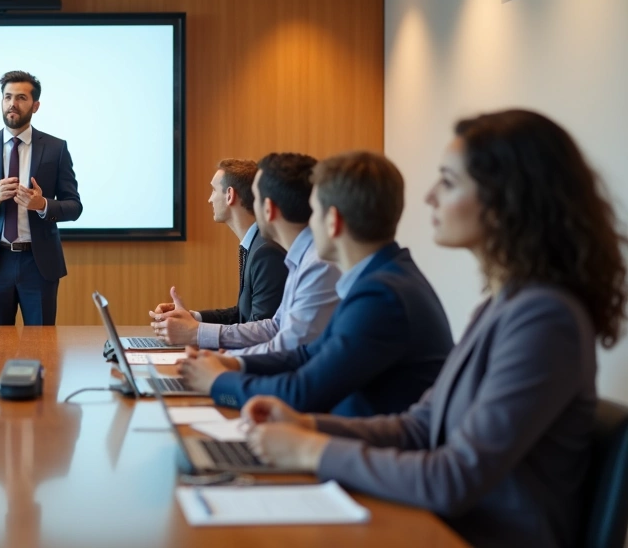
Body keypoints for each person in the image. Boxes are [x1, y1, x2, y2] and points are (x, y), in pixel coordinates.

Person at [240, 110, 626, 548]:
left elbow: (454, 477)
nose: (428, 197)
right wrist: (306, 424)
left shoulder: (546, 319)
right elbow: (419, 428)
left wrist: (310, 450)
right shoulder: (503, 306)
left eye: (447, 182)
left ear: (505, 199)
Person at [178, 151, 454, 416]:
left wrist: (217, 382)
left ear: (331, 221)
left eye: (313, 211)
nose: (307, 224)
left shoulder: (381, 294)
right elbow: (307, 353)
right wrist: (233, 362)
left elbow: (302, 391)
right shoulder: (383, 278)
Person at [153, 153, 340, 354]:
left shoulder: (292, 258)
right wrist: (194, 323)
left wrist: (204, 341)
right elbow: (269, 324)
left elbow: (279, 343)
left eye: (257, 198)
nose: (253, 206)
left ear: (267, 207)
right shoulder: (298, 258)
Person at [0, 70, 82, 326]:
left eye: (21, 97)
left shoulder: (56, 148)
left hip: (39, 262)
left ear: (35, 106)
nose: (12, 103)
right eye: (7, 97)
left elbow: (74, 206)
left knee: (43, 347)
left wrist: (42, 205)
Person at [150, 158, 288, 330]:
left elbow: (259, 331)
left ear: (230, 195)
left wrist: (194, 331)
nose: (210, 199)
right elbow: (241, 315)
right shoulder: (255, 244)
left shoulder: (266, 252)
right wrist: (192, 317)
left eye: (214, 190)